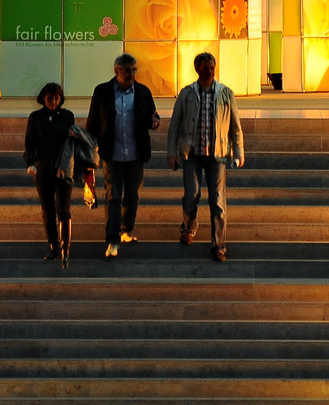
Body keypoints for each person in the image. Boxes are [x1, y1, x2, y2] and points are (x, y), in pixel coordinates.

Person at [167, 51, 245, 262]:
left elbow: (235, 127)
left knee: (218, 200)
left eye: (212, 67)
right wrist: (172, 153)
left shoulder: (225, 94)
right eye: (205, 68)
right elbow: (175, 125)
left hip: (217, 155)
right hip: (191, 153)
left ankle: (218, 245)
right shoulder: (187, 93)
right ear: (197, 69)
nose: (209, 71)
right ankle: (188, 226)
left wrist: (238, 151)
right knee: (191, 196)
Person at [85, 53, 160, 258]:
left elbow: (151, 117)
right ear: (117, 71)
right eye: (127, 70)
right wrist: (89, 152)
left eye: (134, 69)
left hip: (136, 154)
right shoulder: (102, 92)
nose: (132, 74)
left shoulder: (143, 92)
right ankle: (112, 239)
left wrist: (155, 122)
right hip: (112, 153)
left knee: (132, 195)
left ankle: (127, 229)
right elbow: (92, 123)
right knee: (113, 195)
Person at [25, 83, 90, 267]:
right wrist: (30, 163)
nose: (53, 102)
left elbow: (72, 142)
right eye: (49, 99)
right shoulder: (35, 117)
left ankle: (65, 247)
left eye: (56, 99)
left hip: (63, 167)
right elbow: (30, 142)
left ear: (60, 99)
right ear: (43, 99)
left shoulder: (67, 116)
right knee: (48, 210)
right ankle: (53, 245)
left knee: (63, 209)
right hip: (43, 167)